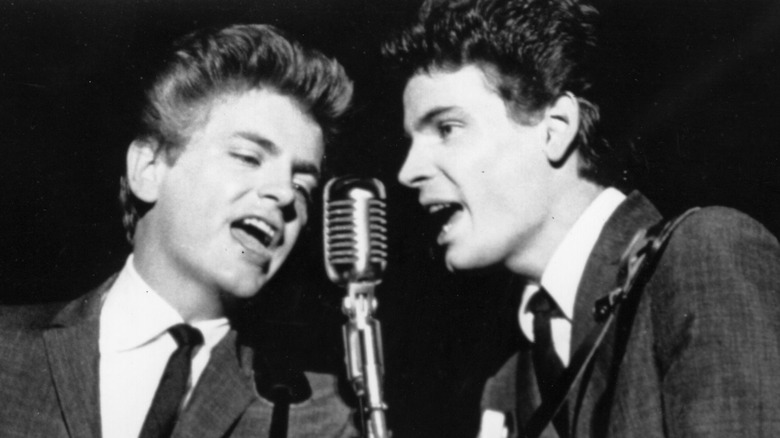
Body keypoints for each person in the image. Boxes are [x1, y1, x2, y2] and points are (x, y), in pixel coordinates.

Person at [382, 0, 780, 437]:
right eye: (411, 139)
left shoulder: (702, 255)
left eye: (447, 129)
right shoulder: (506, 382)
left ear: (556, 128)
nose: (408, 170)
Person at [0, 24, 357, 438]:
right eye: (247, 156)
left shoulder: (322, 417)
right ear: (148, 169)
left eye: (302, 186)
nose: (282, 194)